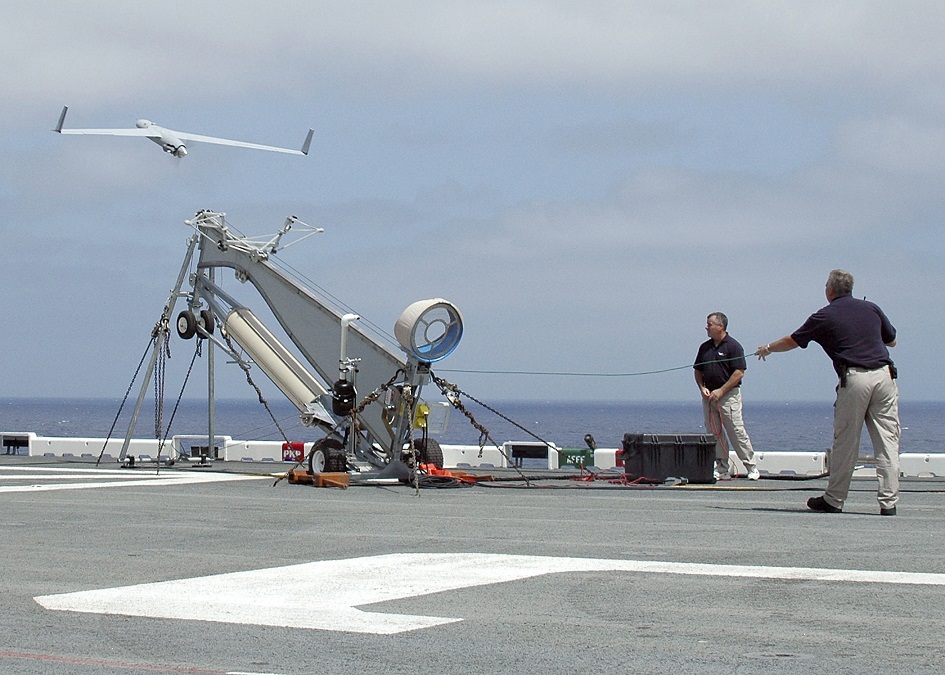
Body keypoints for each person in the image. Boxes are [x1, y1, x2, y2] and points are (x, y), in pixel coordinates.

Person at [756, 269, 899, 516]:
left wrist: (768, 348)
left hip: (855, 378)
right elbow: (892, 340)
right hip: (885, 376)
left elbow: (793, 340)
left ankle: (834, 499)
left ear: (829, 291)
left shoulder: (824, 316)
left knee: (846, 441)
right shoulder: (872, 308)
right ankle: (889, 503)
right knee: (888, 443)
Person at [694, 312, 760, 481]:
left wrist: (721, 391)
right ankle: (722, 467)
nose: (706, 328)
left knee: (736, 430)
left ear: (720, 326)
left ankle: (751, 466)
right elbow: (698, 371)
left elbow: (739, 373)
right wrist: (702, 388)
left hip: (728, 395)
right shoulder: (704, 348)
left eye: (710, 324)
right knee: (714, 432)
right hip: (709, 397)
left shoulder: (734, 346)